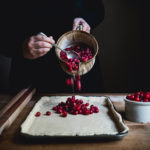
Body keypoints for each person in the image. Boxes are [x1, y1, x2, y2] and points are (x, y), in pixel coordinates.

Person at [0, 0, 104, 93]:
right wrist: (20, 48)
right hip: (33, 75)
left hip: (83, 66)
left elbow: (98, 10)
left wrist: (86, 19)